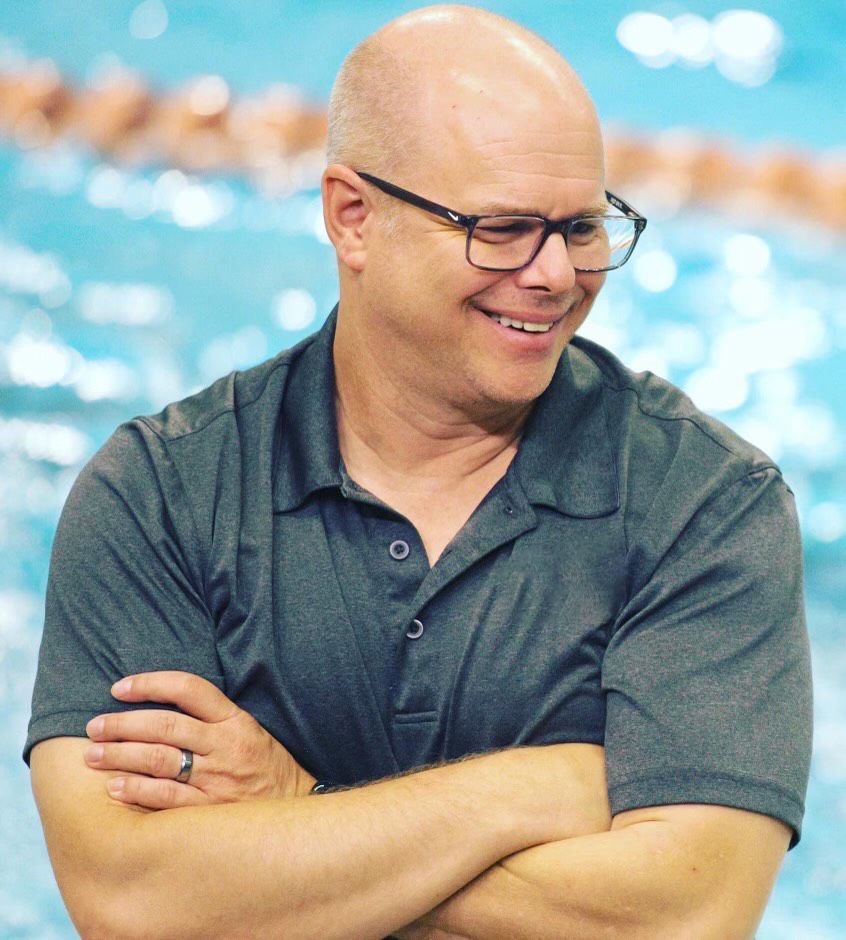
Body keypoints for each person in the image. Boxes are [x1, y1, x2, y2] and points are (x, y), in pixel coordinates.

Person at [26, 5, 811, 938]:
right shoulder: (161, 495)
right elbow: (132, 902)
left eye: (584, 227)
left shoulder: (706, 503)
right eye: (506, 228)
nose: (556, 275)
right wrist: (546, 786)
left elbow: (685, 917)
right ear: (353, 218)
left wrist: (295, 806)